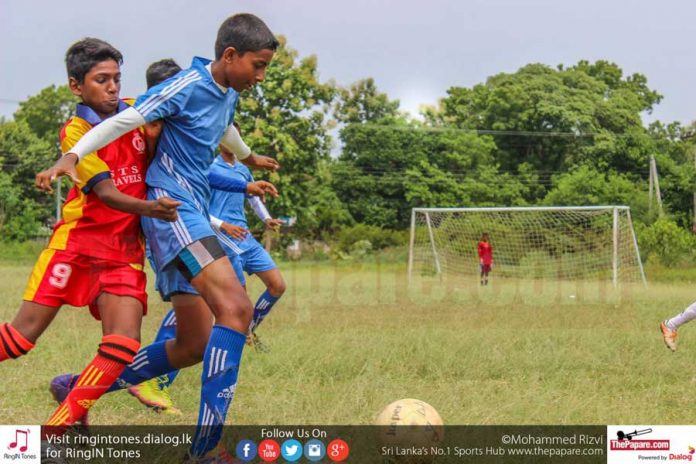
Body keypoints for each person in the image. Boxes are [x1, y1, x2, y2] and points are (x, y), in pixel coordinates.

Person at [36, 14, 279, 462]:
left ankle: (78, 387)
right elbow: (126, 119)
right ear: (230, 56)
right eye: (258, 66)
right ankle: (204, 452)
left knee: (193, 345)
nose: (261, 76)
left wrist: (249, 157)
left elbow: (222, 127)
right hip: (173, 212)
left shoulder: (226, 92)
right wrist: (72, 154)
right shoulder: (184, 86)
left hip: (184, 216)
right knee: (237, 308)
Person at [0, 38, 180, 430]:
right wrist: (152, 209)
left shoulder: (137, 113)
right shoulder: (76, 131)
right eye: (101, 80)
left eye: (116, 78)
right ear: (76, 86)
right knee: (18, 340)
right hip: (77, 247)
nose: (113, 87)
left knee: (123, 344)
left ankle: (54, 433)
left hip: (122, 252)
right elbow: (106, 193)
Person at [130, 144, 287, 414]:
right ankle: (155, 382)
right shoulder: (195, 159)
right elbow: (197, 196)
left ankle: (80, 388)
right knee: (211, 305)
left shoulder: (240, 168)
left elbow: (249, 196)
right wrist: (222, 224)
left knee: (270, 288)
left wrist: (266, 215)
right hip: (212, 236)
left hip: (242, 237)